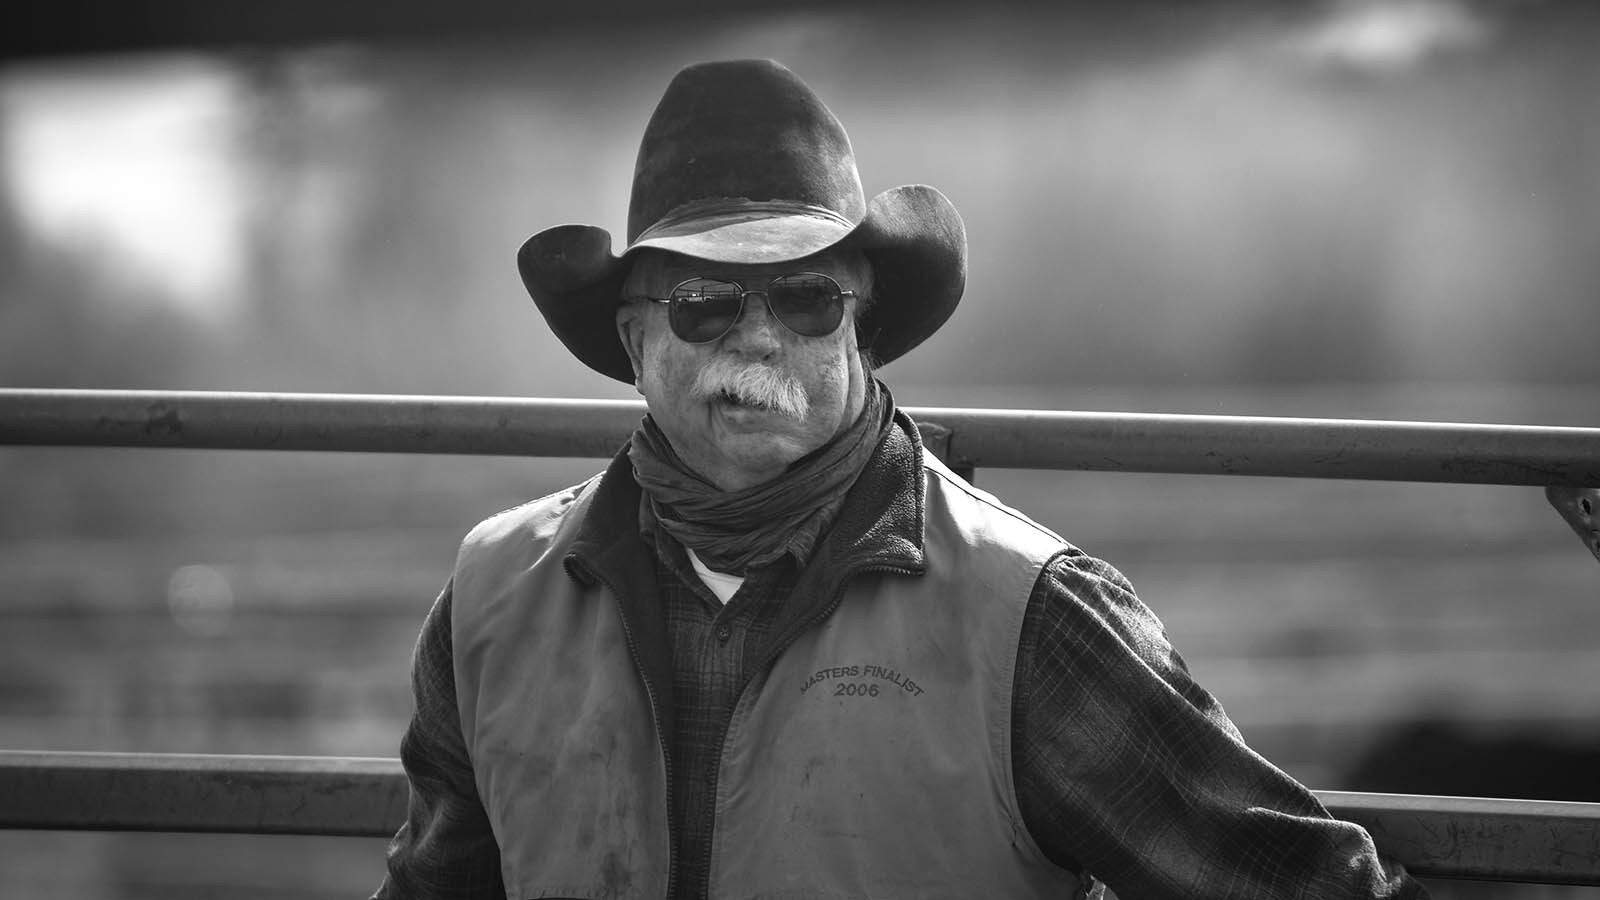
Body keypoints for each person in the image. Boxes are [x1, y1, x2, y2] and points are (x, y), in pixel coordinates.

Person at [373, 59, 1429, 900]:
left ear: (860, 330)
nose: (757, 343)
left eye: (806, 303)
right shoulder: (492, 601)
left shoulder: (1029, 616)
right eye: (702, 303)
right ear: (632, 339)